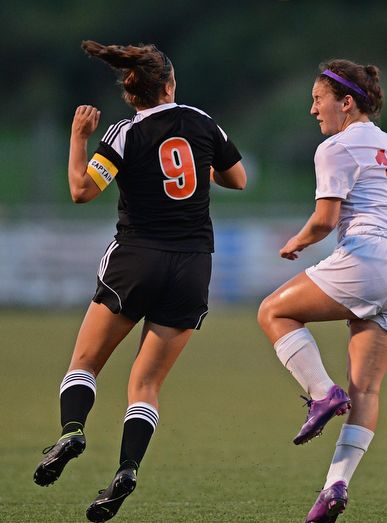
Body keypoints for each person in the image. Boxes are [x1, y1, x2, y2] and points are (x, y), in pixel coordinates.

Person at [33, 40, 247, 522]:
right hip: (192, 265)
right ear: (170, 84)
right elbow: (238, 180)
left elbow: (80, 192)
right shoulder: (203, 121)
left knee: (84, 363)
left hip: (136, 260)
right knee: (145, 383)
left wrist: (77, 136)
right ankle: (127, 468)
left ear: (132, 96)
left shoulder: (123, 133)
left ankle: (72, 431)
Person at [257, 59, 387, 523]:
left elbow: (326, 221)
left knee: (273, 312)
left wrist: (298, 241)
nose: (313, 109)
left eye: (318, 99)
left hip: (371, 258)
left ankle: (320, 394)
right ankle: (335, 487)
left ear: (346, 102)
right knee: (366, 389)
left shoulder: (336, 146)